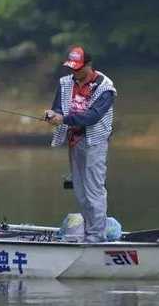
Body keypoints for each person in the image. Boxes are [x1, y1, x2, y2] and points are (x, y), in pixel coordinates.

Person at [45, 46, 117, 243]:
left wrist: (63, 118)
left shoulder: (106, 88)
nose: (74, 71)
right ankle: (88, 230)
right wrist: (52, 115)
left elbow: (92, 116)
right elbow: (57, 107)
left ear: (88, 65)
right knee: (80, 189)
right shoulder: (65, 82)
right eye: (71, 67)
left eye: (78, 67)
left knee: (94, 189)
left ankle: (96, 236)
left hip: (95, 141)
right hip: (74, 141)